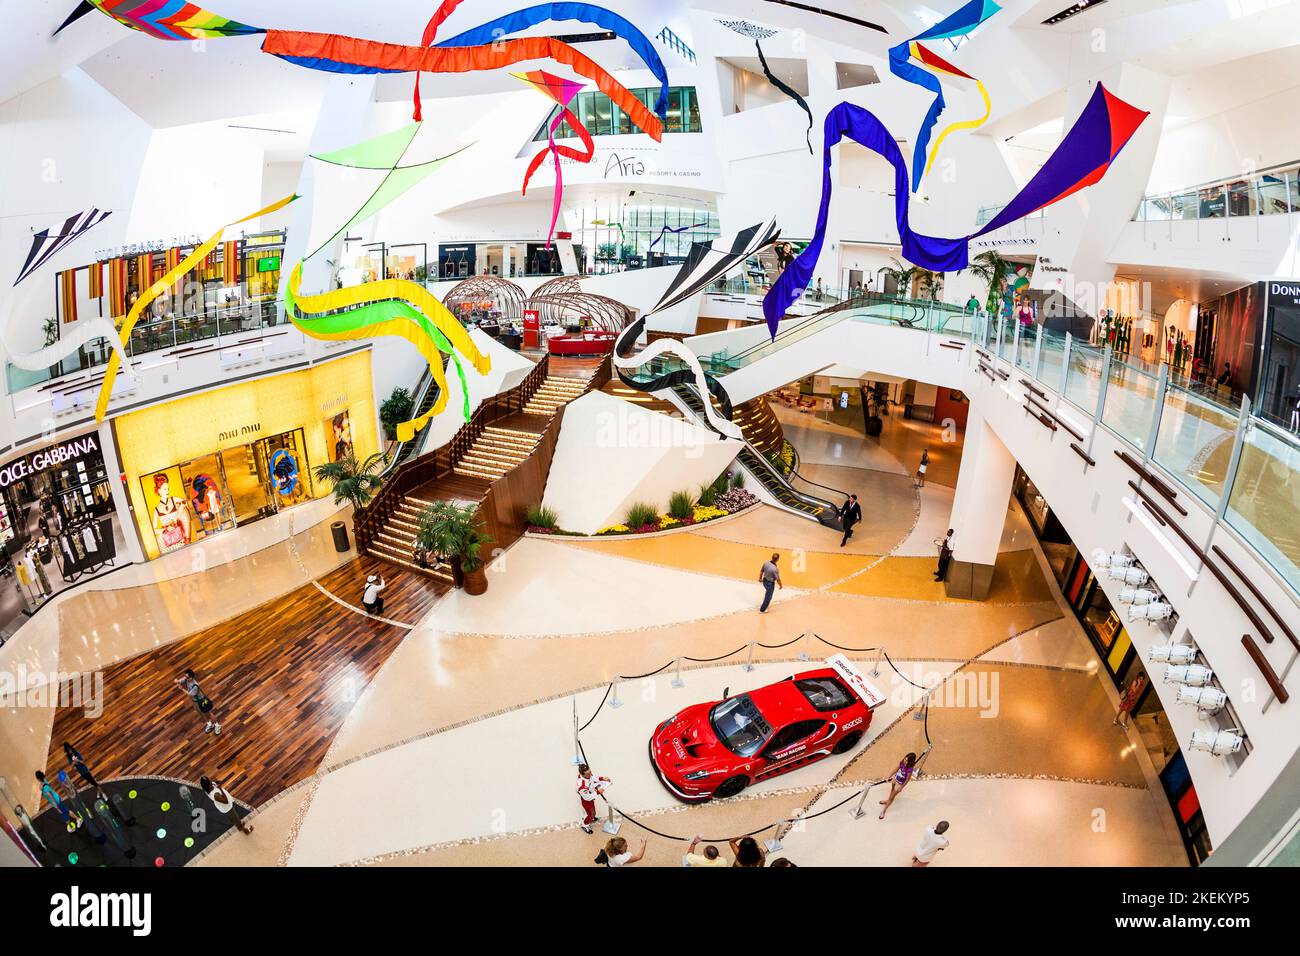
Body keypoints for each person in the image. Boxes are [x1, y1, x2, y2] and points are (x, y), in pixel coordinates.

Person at [151, 472, 191, 553]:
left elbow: (185, 502)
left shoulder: (173, 499)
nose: (167, 491)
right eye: (165, 489)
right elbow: (153, 530)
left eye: (168, 488)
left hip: (179, 536)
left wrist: (180, 509)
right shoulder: (157, 509)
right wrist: (165, 529)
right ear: (159, 491)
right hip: (166, 541)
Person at [175, 668, 221, 734]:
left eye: (187, 677)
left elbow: (190, 694)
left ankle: (217, 725)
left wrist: (182, 689)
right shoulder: (186, 680)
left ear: (191, 677)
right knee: (201, 713)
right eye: (185, 676)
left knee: (209, 713)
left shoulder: (195, 686)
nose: (185, 678)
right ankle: (209, 723)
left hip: (201, 701)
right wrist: (177, 681)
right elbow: (179, 681)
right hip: (195, 702)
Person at [878, 752, 919, 819]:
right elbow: (896, 769)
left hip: (899, 784)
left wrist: (901, 787)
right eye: (905, 759)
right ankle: (887, 800)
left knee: (892, 798)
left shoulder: (910, 769)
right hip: (895, 779)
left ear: (910, 762)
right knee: (891, 791)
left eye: (907, 760)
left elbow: (907, 780)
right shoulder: (902, 763)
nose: (905, 761)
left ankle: (883, 810)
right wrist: (889, 777)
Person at [576, 764, 611, 834]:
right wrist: (598, 792)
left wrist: (602, 778)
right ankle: (585, 825)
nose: (590, 774)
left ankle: (592, 816)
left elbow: (593, 778)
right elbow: (587, 797)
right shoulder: (582, 786)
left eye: (590, 772)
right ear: (582, 774)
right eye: (588, 774)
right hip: (585, 799)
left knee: (592, 811)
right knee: (589, 814)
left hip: (589, 794)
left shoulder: (588, 775)